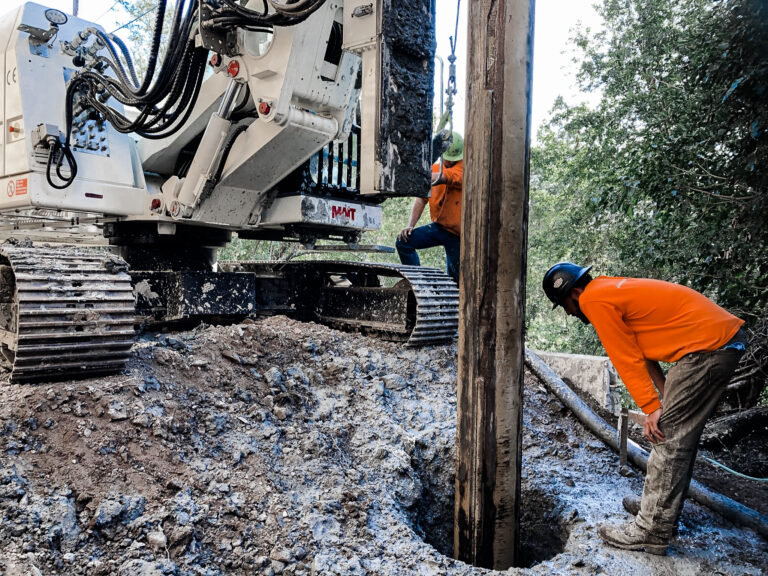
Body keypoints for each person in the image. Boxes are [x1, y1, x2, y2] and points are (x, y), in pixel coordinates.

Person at [542, 262, 746, 555]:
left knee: (668, 438)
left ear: (575, 292)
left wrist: (651, 409)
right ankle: (657, 509)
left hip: (708, 350)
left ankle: (651, 529)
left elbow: (624, 357)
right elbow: (641, 353)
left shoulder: (593, 299)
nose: (570, 313)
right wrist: (662, 399)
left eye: (565, 305)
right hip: (715, 345)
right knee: (675, 434)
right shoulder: (609, 290)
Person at [395, 132, 463, 284]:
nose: (450, 163)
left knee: (457, 281)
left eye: (454, 160)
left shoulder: (466, 169)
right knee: (404, 242)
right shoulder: (434, 168)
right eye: (448, 159)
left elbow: (448, 177)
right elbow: (421, 199)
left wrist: (421, 175)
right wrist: (410, 226)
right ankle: (418, 284)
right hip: (439, 228)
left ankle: (456, 304)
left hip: (457, 235)